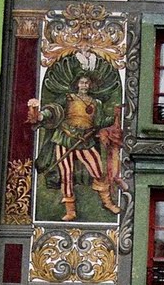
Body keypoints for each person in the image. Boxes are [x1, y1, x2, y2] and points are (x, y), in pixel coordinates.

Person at [28, 73, 122, 221]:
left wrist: (116, 117)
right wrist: (41, 115)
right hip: (64, 139)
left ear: (90, 85)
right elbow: (54, 110)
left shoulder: (95, 102)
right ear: (77, 84)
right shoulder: (68, 98)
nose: (84, 85)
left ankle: (107, 202)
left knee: (97, 170)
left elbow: (100, 121)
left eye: (86, 83)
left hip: (85, 141)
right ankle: (70, 211)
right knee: (66, 174)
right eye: (82, 82)